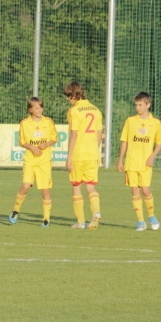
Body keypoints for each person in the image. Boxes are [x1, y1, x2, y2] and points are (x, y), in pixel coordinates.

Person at [117, 92, 161, 231]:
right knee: (135, 192)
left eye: (140, 105)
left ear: (147, 105)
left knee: (145, 190)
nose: (137, 108)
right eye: (136, 105)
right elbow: (125, 140)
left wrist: (152, 157)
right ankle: (140, 221)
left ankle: (151, 215)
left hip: (145, 163)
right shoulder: (130, 121)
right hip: (131, 162)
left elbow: (160, 142)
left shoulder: (155, 123)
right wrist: (120, 159)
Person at [9, 97, 57, 227]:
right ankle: (15, 210)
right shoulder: (25, 123)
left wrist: (46, 144)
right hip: (30, 161)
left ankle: (46, 220)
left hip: (44, 162)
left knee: (45, 190)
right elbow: (22, 141)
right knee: (25, 186)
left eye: (41, 106)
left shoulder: (48, 122)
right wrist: (32, 147)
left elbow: (54, 138)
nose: (40, 109)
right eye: (36, 107)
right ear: (30, 109)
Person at [64, 81, 103, 229]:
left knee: (76, 186)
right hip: (92, 153)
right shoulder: (96, 110)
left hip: (78, 154)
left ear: (75, 94)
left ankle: (80, 222)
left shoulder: (74, 111)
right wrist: (94, 150)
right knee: (91, 187)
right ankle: (96, 212)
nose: (68, 99)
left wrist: (69, 157)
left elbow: (74, 134)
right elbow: (99, 134)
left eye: (69, 96)